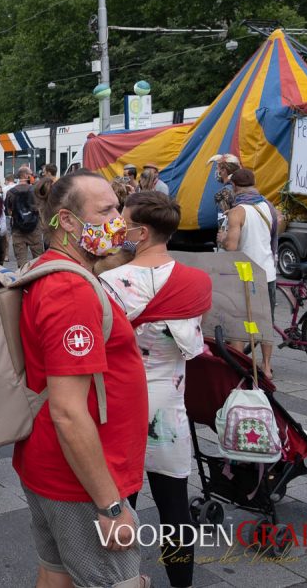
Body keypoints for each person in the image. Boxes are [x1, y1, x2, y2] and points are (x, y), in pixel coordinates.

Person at [13, 170, 148, 588]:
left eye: (118, 208)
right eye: (106, 210)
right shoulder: (70, 291)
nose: (119, 221)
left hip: (52, 467)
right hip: (80, 482)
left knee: (56, 573)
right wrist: (110, 507)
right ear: (68, 222)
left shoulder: (54, 269)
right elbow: (69, 412)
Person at [99, 191, 212, 588]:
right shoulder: (196, 282)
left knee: (117, 505)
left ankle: (124, 578)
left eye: (123, 221)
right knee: (175, 508)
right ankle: (182, 583)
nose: (117, 227)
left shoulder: (108, 282)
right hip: (169, 407)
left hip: (119, 406)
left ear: (141, 232)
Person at [221, 168, 277, 378]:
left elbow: (232, 246)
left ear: (234, 186)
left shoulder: (238, 211)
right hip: (267, 272)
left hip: (245, 274)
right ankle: (267, 367)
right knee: (265, 321)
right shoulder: (268, 206)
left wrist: (222, 238)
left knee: (238, 321)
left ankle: (238, 365)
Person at [5, 167, 44, 266]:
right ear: (26, 175)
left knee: (21, 263)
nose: (33, 176)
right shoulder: (35, 190)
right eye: (31, 174)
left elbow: (8, 211)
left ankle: (23, 280)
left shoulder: (11, 192)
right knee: (38, 260)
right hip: (34, 229)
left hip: (18, 230)